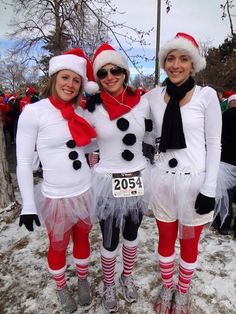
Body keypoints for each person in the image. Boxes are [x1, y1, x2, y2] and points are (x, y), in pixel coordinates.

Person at [144, 33, 222, 313]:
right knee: (165, 240)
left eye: (183, 58)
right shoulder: (153, 96)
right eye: (171, 58)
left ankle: (183, 291)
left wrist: (210, 189)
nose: (176, 65)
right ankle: (167, 287)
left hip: (195, 182)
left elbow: (214, 144)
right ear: (164, 62)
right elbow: (131, 120)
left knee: (188, 243)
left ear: (193, 63)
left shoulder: (206, 96)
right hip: (163, 180)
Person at [16, 48, 99, 313]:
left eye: (76, 80)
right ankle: (62, 287)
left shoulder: (82, 113)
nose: (70, 84)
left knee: (84, 240)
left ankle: (83, 280)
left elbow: (87, 147)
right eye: (65, 78)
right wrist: (28, 204)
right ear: (54, 78)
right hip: (56, 197)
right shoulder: (34, 112)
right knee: (58, 245)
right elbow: (23, 162)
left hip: (84, 190)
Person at [84, 43, 152, 313]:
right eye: (103, 73)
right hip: (107, 180)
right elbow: (85, 143)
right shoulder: (91, 108)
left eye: (115, 70)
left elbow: (150, 132)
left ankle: (127, 277)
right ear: (97, 80)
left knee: (132, 234)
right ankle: (109, 284)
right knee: (110, 238)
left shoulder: (143, 102)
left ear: (124, 72)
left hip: (137, 176)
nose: (110, 76)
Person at [214, 94, 236, 236]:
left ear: (229, 103)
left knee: (225, 195)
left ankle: (223, 225)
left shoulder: (224, 116)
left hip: (226, 160)